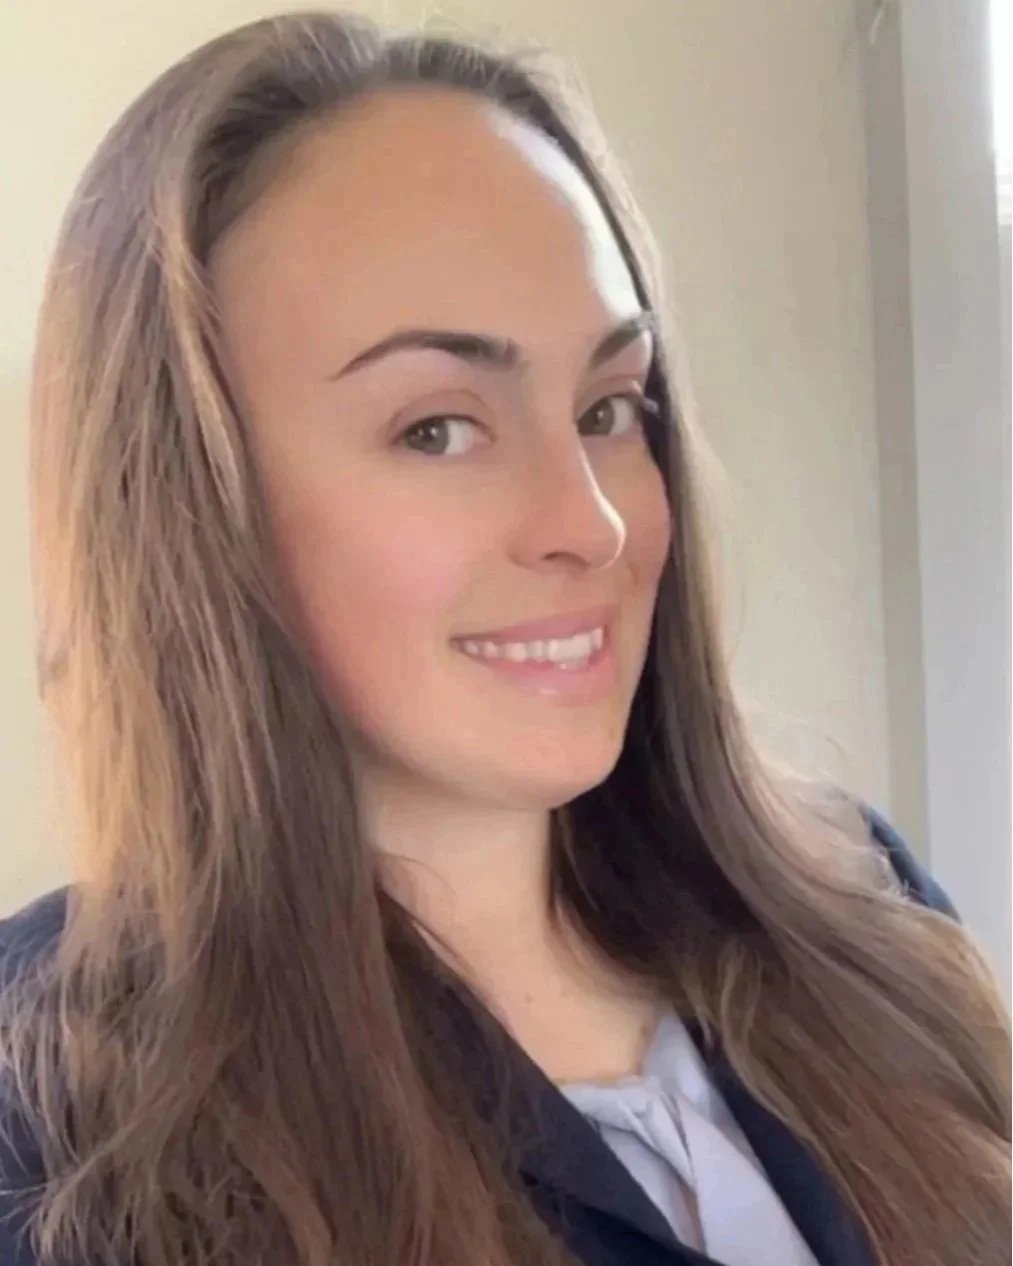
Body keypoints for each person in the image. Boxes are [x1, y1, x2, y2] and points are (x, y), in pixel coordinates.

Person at [0, 11, 1008, 1266]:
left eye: (607, 407)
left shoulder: (861, 909)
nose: (590, 523)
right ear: (192, 503)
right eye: (436, 428)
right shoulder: (55, 1116)